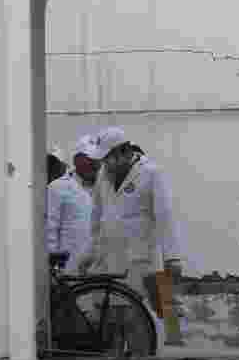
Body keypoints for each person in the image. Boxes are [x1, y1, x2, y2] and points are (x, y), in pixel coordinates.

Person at [75, 127, 185, 348]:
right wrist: (89, 253)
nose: (105, 164)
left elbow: (165, 216)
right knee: (110, 321)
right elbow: (96, 220)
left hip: (142, 260)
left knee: (138, 319)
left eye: (109, 158)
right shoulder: (103, 177)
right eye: (103, 159)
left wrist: (172, 256)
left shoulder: (152, 173)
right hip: (110, 260)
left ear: (124, 152)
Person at [46, 135, 100, 273]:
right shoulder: (57, 188)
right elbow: (49, 230)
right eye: (89, 159)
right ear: (76, 160)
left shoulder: (106, 188)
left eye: (97, 159)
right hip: (69, 271)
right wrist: (53, 268)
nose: (95, 163)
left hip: (100, 271)